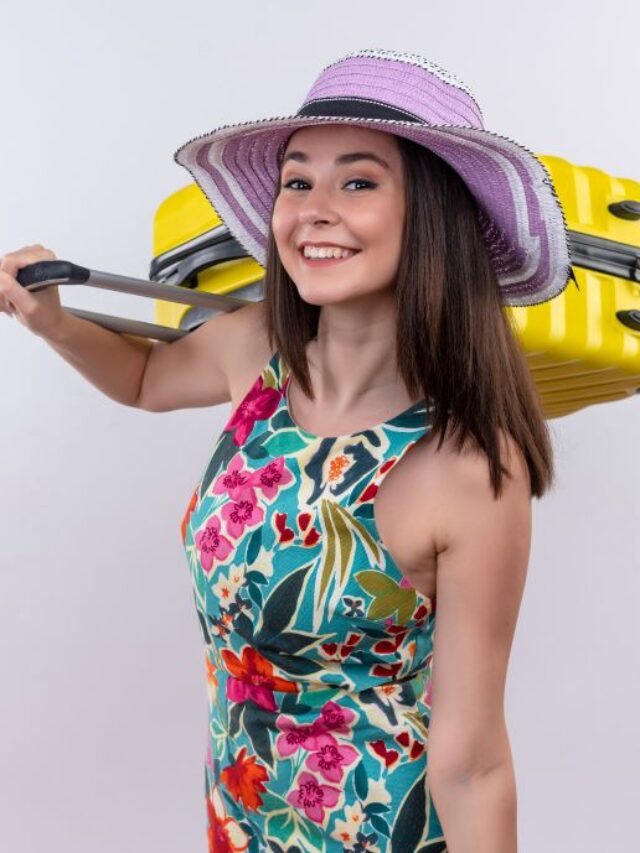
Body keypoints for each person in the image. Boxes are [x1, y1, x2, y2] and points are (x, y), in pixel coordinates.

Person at [1, 48, 573, 853]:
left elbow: (473, 762)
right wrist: (53, 321)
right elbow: (142, 378)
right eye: (297, 181)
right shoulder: (255, 352)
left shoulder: (469, 469)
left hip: (378, 829)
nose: (314, 208)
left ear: (433, 216)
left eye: (359, 181)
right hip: (242, 814)